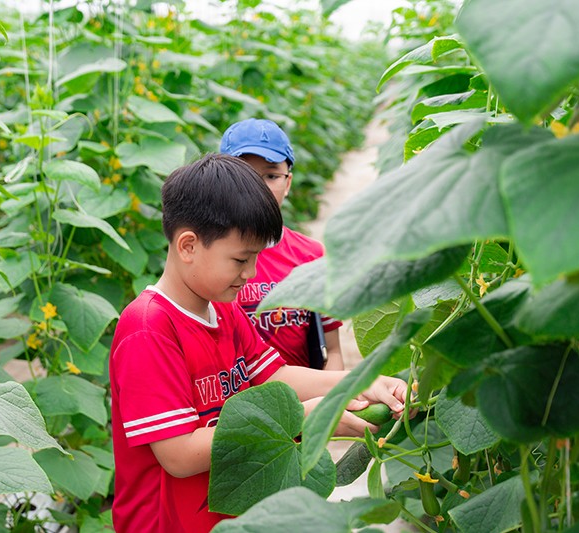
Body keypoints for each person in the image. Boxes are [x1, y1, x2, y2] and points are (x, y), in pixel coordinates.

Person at [109, 154, 410, 533]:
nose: (250, 274)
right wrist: (300, 417)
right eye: (240, 259)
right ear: (188, 246)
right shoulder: (149, 328)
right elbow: (179, 454)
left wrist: (360, 382)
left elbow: (275, 375)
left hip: (227, 518)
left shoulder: (224, 310)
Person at [220, 118, 345, 370]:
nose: (258, 188)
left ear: (287, 183)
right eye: (245, 175)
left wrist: (328, 401)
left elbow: (332, 351)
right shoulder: (210, 255)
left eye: (271, 175)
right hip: (237, 406)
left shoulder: (311, 255)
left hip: (306, 402)